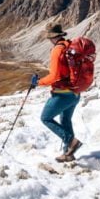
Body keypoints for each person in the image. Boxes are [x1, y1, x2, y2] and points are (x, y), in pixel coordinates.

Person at [31, 23, 83, 162]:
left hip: (62, 94)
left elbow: (54, 76)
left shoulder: (57, 50)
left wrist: (37, 82)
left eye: (49, 38)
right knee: (65, 120)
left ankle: (71, 141)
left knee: (46, 118)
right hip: (75, 93)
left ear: (53, 37)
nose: (49, 41)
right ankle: (68, 154)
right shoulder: (69, 45)